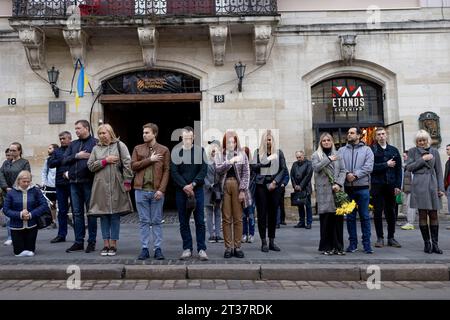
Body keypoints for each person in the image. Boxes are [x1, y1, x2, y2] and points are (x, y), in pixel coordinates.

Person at [87, 124, 134, 257]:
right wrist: (105, 161)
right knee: (103, 215)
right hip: (100, 186)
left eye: (104, 133)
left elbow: (127, 164)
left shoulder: (120, 145)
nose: (102, 135)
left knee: (114, 215)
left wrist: (127, 181)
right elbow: (90, 166)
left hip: (116, 184)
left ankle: (113, 244)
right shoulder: (96, 148)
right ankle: (105, 243)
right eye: (100, 133)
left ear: (110, 133)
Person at [131, 123, 170, 260]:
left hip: (156, 191)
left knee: (157, 221)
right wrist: (150, 160)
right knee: (144, 221)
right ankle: (145, 248)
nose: (144, 135)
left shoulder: (164, 150)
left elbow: (166, 171)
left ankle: (158, 248)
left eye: (147, 132)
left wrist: (162, 190)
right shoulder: (138, 148)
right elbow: (133, 166)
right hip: (140, 190)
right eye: (143, 132)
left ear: (154, 134)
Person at [170, 126, 208, 261]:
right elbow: (174, 172)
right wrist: (185, 186)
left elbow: (203, 170)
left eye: (190, 138)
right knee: (183, 221)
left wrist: (193, 184)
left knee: (200, 221)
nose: (187, 140)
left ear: (193, 137)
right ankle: (187, 248)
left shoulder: (200, 151)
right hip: (181, 191)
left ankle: (202, 249)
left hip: (197, 190)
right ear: (181, 137)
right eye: (185, 137)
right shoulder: (176, 151)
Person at [406, 130, 445, 254]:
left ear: (427, 140)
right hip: (419, 184)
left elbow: (439, 171)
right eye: (419, 141)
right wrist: (423, 159)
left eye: (423, 140)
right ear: (416, 142)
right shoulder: (412, 151)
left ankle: (435, 244)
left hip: (433, 184)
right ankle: (427, 244)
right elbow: (409, 167)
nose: (422, 142)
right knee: (422, 214)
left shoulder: (435, 151)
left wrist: (441, 188)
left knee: (434, 214)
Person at [214, 131, 251, 258]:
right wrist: (230, 161)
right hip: (224, 186)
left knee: (238, 218)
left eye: (233, 141)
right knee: (226, 218)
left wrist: (242, 190)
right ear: (225, 143)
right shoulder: (220, 155)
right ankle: (228, 247)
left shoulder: (242, 155)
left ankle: (237, 247)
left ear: (236, 142)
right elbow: (218, 169)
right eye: (228, 141)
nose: (231, 144)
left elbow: (246, 173)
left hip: (237, 185)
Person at [63, 120, 98, 253]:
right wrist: (78, 155)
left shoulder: (95, 142)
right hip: (74, 183)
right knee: (77, 214)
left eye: (78, 128)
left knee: (91, 213)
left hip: (89, 182)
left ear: (87, 128)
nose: (76, 131)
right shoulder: (73, 144)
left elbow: (98, 160)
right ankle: (78, 242)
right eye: (75, 128)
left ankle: (92, 242)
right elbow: (64, 160)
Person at [251, 130, 288, 252]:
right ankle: (263, 242)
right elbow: (253, 167)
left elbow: (283, 169)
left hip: (274, 186)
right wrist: (264, 162)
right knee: (262, 214)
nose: (268, 141)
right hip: (261, 186)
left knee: (273, 214)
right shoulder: (258, 152)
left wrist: (275, 182)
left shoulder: (279, 153)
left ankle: (272, 240)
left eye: (270, 139)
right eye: (266, 139)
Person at [338, 127, 374, 254]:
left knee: (365, 217)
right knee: (350, 218)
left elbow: (369, 166)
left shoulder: (367, 150)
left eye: (352, 133)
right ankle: (352, 244)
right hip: (348, 189)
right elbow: (339, 165)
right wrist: (347, 173)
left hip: (363, 188)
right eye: (348, 133)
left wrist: (356, 175)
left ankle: (367, 244)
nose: (349, 135)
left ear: (359, 135)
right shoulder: (341, 150)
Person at [312, 133, 347, 255]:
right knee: (326, 220)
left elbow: (343, 170)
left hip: (336, 190)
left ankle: (338, 247)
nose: (326, 142)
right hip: (324, 192)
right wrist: (328, 159)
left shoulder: (338, 154)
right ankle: (327, 247)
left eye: (328, 140)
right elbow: (316, 168)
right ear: (320, 143)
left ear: (332, 142)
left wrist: (339, 184)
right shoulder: (316, 155)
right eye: (323, 141)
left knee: (338, 220)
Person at [370, 127, 402, 248]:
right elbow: (370, 167)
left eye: (383, 134)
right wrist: (386, 164)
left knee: (391, 211)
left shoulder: (393, 150)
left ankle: (391, 237)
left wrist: (398, 185)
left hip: (391, 185)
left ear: (386, 135)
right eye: (379, 134)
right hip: (377, 185)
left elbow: (399, 169)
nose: (381, 136)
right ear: (375, 137)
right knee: (377, 211)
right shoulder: (371, 150)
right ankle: (380, 238)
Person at [3, 171, 48, 257]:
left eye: (28, 181)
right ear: (18, 181)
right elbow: (6, 209)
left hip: (32, 225)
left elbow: (44, 205)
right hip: (16, 226)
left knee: (30, 251)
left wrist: (31, 214)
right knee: (18, 252)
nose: (26, 183)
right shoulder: (11, 193)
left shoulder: (36, 191)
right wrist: (20, 214)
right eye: (24, 181)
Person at [0, 143, 31, 246]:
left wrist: (15, 188)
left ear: (19, 151)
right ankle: (10, 236)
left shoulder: (24, 162)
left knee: (21, 214)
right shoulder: (6, 163)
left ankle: (22, 237)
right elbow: (1, 175)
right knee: (9, 215)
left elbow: (25, 175)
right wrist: (6, 187)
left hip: (19, 192)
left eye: (14, 150)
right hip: (7, 192)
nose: (11, 153)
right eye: (10, 150)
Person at [48, 131, 72, 243]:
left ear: (69, 138)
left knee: (77, 211)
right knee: (61, 211)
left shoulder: (74, 148)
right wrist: (63, 159)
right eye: (60, 139)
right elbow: (50, 163)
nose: (62, 140)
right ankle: (61, 235)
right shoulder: (57, 151)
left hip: (73, 183)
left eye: (64, 138)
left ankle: (79, 235)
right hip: (60, 184)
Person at [204, 140, 223, 244]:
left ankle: (218, 235)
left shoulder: (220, 161)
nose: (214, 150)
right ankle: (211, 235)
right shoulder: (205, 161)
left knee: (218, 212)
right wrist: (209, 185)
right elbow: (203, 176)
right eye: (212, 148)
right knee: (209, 213)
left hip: (218, 190)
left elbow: (222, 174)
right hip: (208, 190)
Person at [290, 151, 313, 229]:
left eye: (300, 157)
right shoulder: (294, 164)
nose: (298, 159)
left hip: (306, 188)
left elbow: (308, 175)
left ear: (303, 156)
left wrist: (301, 185)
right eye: (297, 157)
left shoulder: (309, 163)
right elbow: (292, 175)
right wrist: (295, 185)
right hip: (297, 189)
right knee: (300, 205)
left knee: (308, 206)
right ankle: (301, 222)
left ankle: (309, 222)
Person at [41, 144, 58, 229]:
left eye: (50, 148)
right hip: (50, 185)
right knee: (52, 204)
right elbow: (44, 172)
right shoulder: (47, 160)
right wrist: (44, 182)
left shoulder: (60, 159)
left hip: (60, 185)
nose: (48, 150)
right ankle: (53, 221)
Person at [400, 150, 417, 230]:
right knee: (406, 205)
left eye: (405, 156)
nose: (403, 157)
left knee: (411, 207)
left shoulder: (412, 165)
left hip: (412, 189)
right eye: (403, 156)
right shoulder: (404, 166)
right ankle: (408, 221)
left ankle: (411, 223)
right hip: (406, 189)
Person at [242, 146, 256, 243]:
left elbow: (253, 180)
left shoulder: (252, 166)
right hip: (242, 193)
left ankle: (251, 234)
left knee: (250, 215)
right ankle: (244, 234)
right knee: (243, 215)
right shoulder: (240, 165)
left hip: (250, 193)